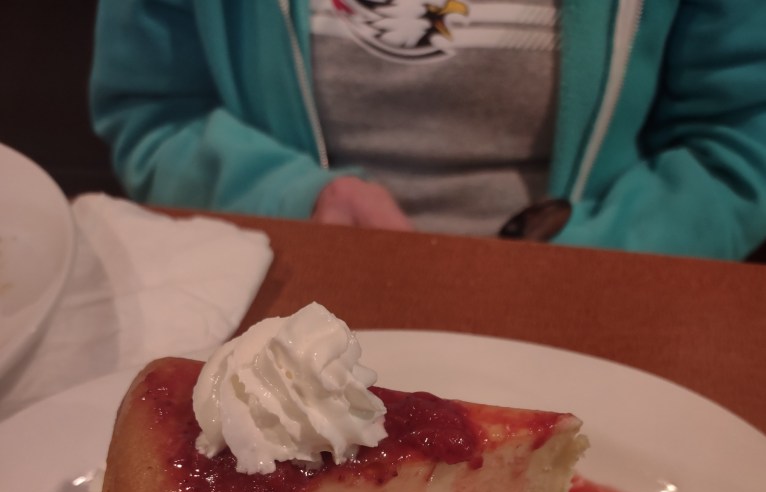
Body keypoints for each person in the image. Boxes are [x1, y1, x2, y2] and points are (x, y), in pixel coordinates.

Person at [90, 0, 766, 260]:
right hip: (292, 282)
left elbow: (737, 144)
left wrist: (591, 257)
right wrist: (294, 201)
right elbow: (156, 115)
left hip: (589, 292)